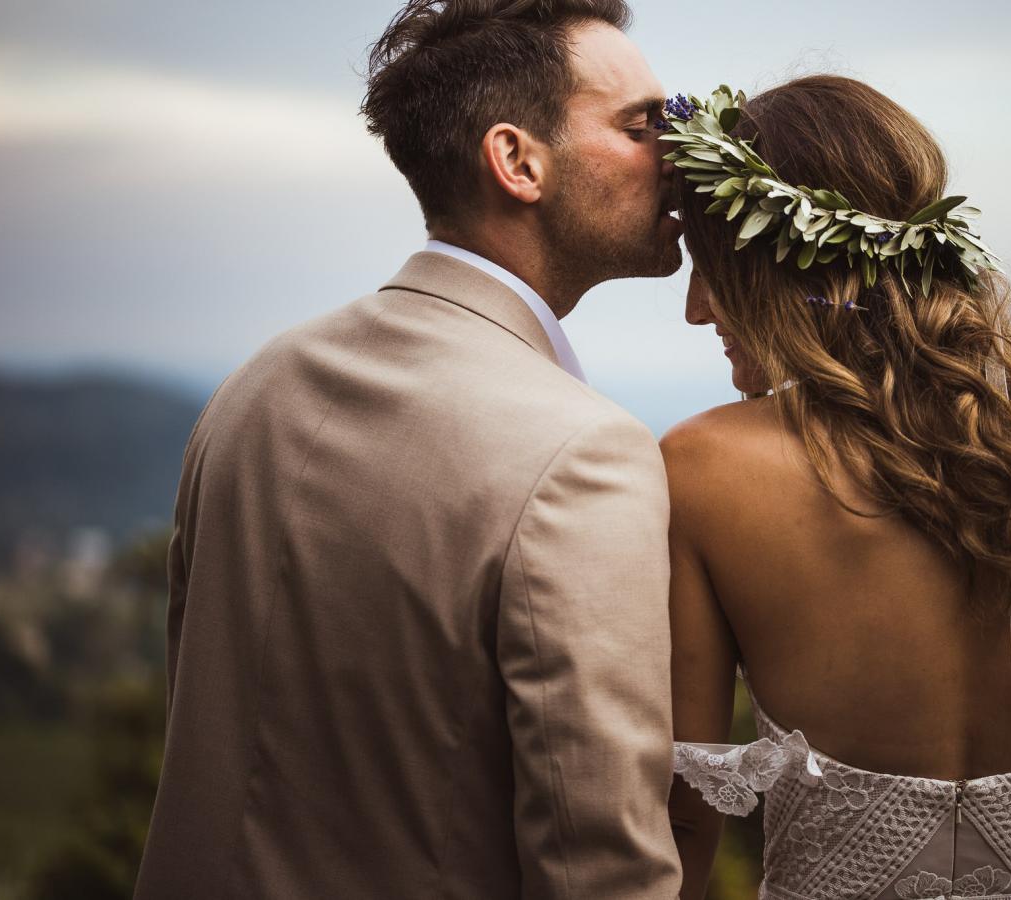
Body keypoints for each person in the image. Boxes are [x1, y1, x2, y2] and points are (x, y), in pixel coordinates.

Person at [135, 1, 685, 897]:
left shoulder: (251, 390)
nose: (679, 154)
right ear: (518, 162)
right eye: (640, 126)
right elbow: (602, 866)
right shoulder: (583, 454)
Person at [662, 77, 1011, 899]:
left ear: (784, 259)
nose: (695, 309)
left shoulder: (701, 469)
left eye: (714, 266)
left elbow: (682, 822)